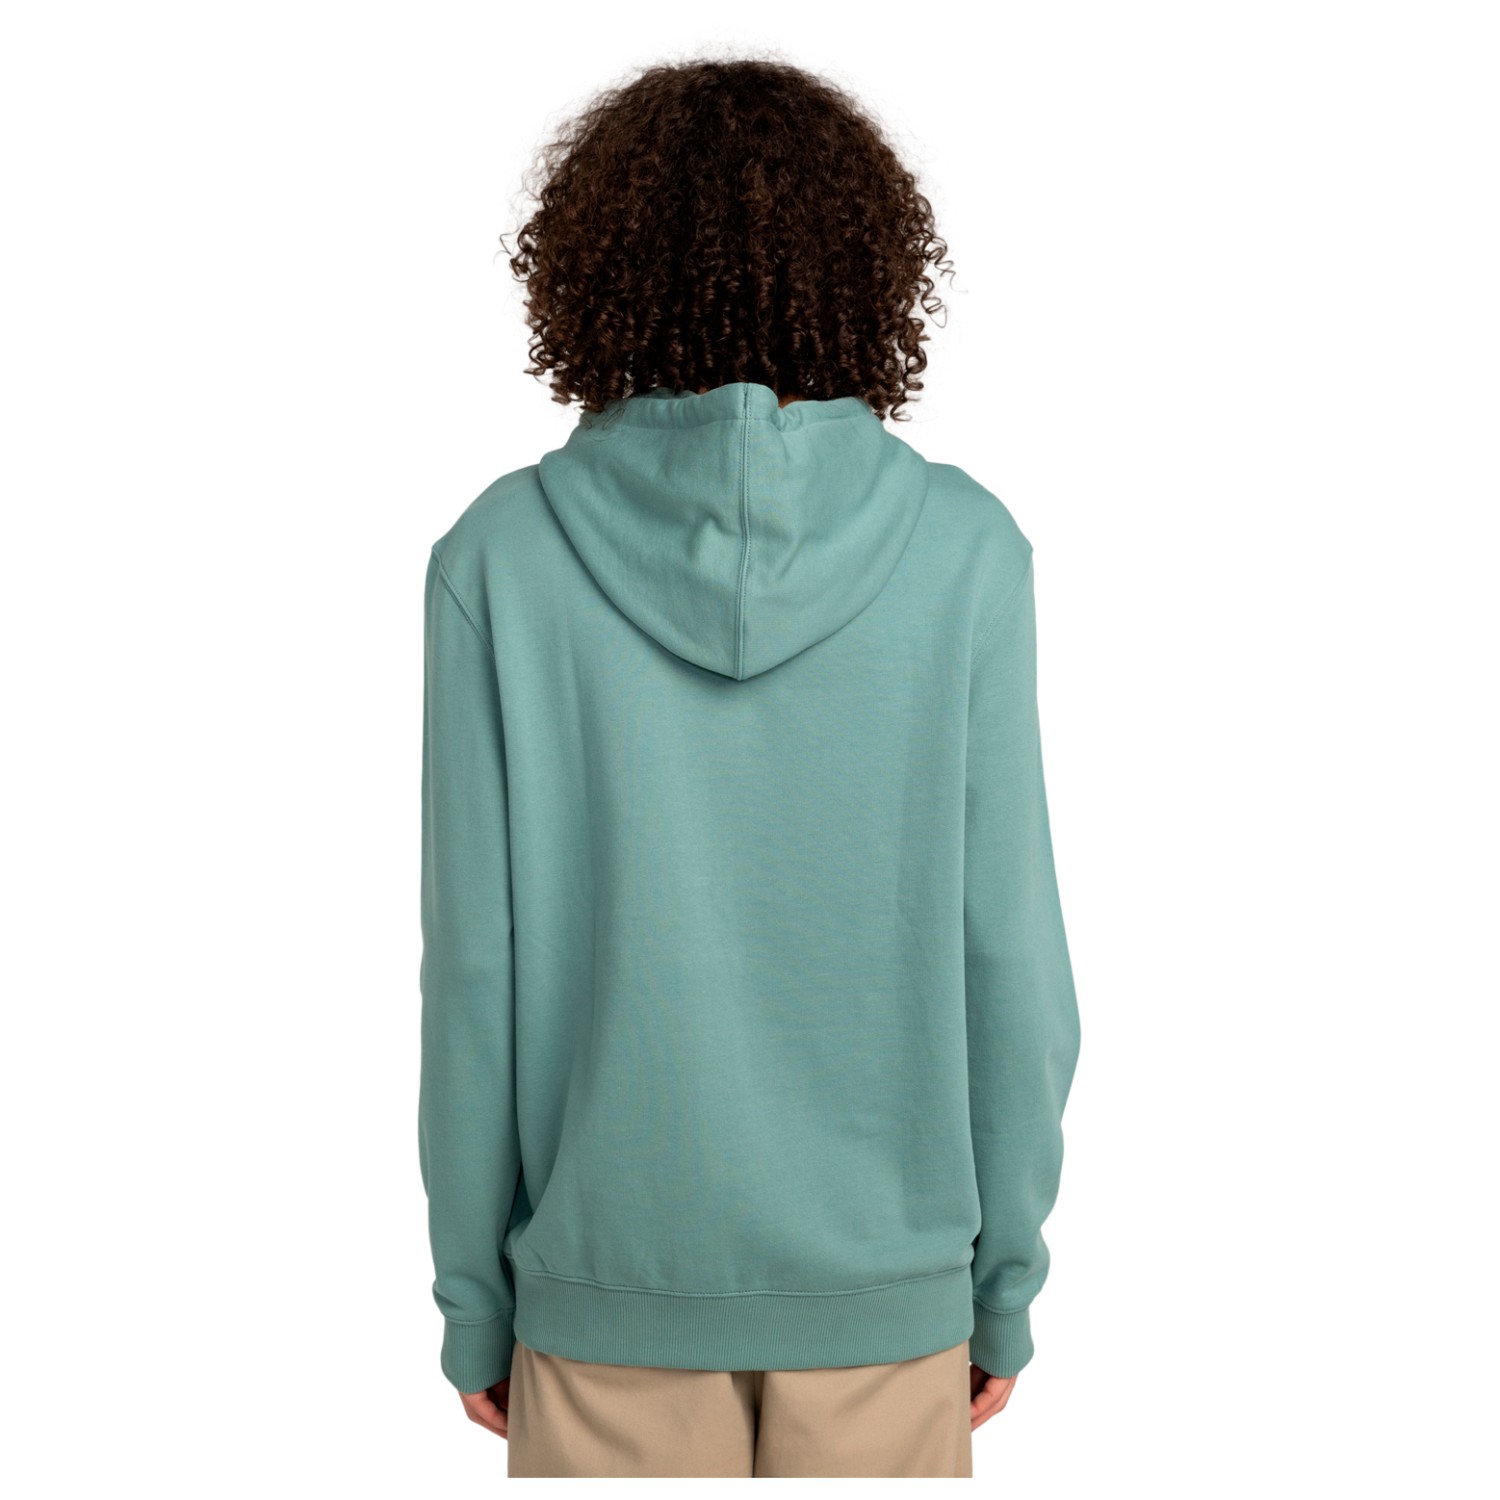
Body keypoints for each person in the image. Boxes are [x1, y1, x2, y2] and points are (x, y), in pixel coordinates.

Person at [418, 55, 1081, 1479]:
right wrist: (1001, 1289)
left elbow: (475, 972)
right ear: (866, 274)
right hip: (888, 1307)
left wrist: (478, 1301)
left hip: (603, 1302)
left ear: (598, 274)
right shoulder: (967, 554)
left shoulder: (501, 559)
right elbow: (1013, 964)